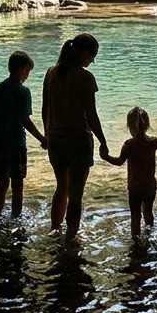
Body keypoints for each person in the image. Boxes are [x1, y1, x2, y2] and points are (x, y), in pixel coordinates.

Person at [41, 33, 110, 240]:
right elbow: (91, 114)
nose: (92, 61)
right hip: (78, 140)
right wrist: (103, 141)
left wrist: (47, 134)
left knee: (61, 187)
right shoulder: (85, 77)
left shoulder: (51, 73)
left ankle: (55, 230)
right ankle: (71, 237)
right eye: (92, 56)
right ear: (84, 53)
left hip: (55, 138)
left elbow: (45, 108)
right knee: (76, 195)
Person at [0, 50, 47, 219]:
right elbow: (25, 120)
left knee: (2, 181)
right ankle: (16, 217)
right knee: (17, 183)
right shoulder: (23, 91)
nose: (28, 76)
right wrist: (42, 139)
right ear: (23, 70)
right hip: (16, 144)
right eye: (28, 72)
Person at [101, 106, 157, 242]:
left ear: (129, 126)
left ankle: (135, 241)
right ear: (147, 124)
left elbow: (119, 162)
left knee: (135, 216)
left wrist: (106, 157)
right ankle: (150, 238)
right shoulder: (153, 142)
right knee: (148, 213)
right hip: (150, 186)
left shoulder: (129, 144)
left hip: (134, 187)